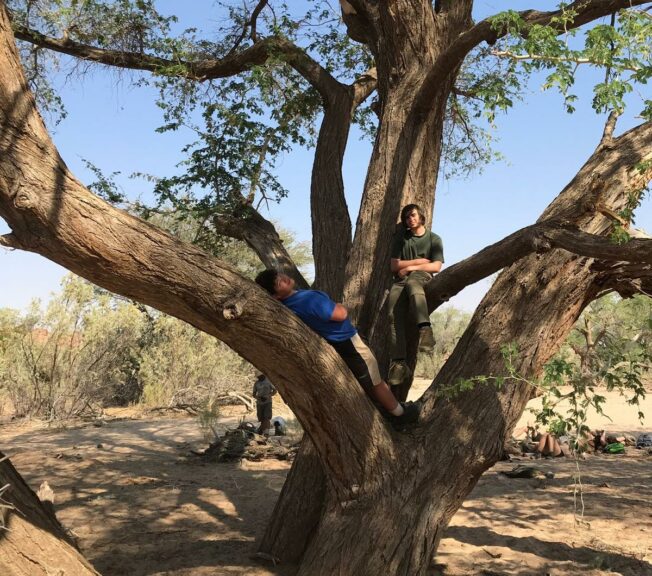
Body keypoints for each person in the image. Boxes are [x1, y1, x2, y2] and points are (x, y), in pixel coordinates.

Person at [254, 269, 420, 427]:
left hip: (338, 344)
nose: (283, 278)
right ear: (275, 296)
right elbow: (339, 315)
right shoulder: (305, 300)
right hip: (348, 341)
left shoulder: (290, 306)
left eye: (279, 275)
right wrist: (341, 307)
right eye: (277, 283)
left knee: (366, 382)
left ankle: (391, 411)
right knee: (375, 381)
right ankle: (400, 414)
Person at [388, 204, 444, 385]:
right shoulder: (401, 239)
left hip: (421, 276)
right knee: (392, 314)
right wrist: (418, 260)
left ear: (420, 216)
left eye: (412, 215)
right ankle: (399, 364)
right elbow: (394, 266)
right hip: (400, 280)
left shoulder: (434, 239)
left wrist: (412, 267)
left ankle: (425, 330)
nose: (410, 219)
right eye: (406, 218)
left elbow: (435, 266)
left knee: (413, 283)